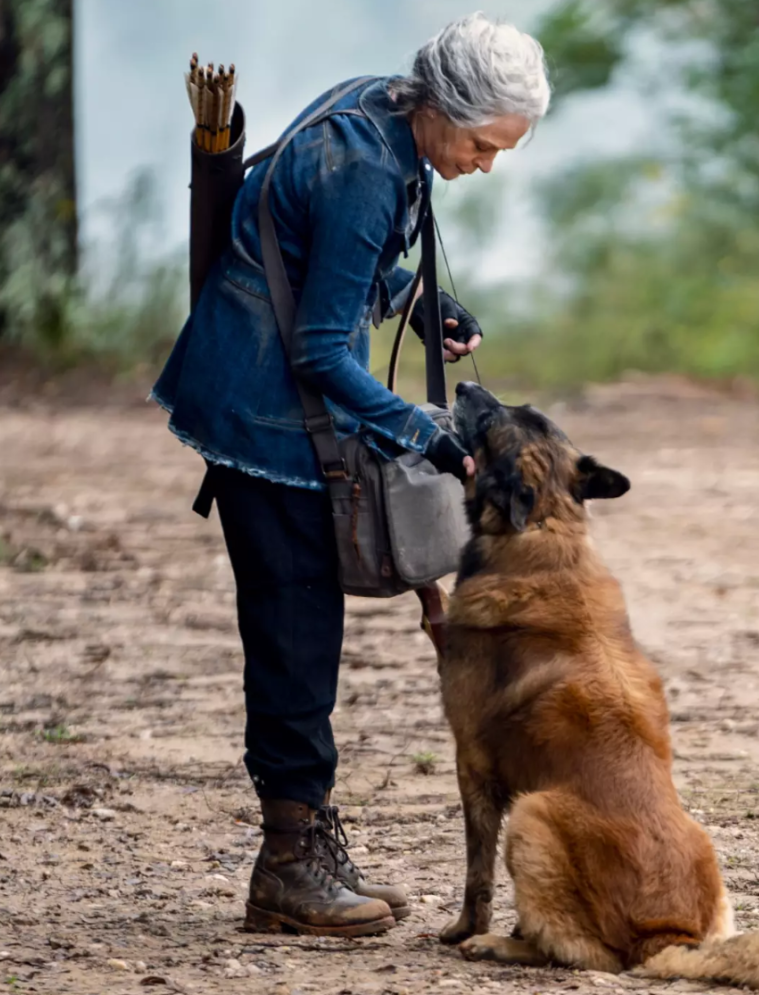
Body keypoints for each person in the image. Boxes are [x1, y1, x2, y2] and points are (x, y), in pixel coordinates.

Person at [150, 14, 551, 937]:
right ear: (443, 108)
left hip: (272, 399)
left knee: (303, 628)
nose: (488, 164)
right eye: (485, 145)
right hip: (263, 415)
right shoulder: (366, 164)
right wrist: (434, 437)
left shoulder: (381, 109)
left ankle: (309, 846)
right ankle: (289, 865)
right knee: (296, 633)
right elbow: (326, 350)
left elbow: (327, 262)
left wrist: (419, 303)